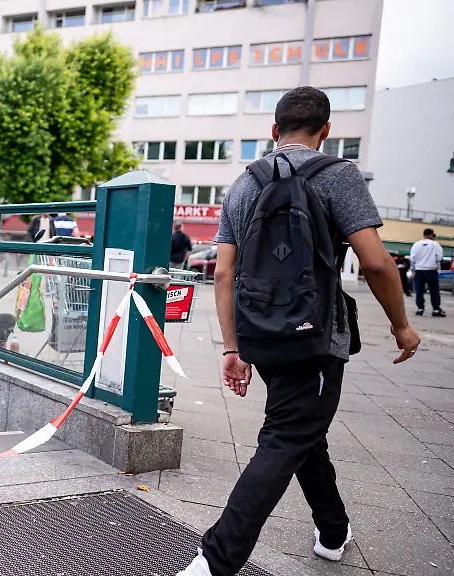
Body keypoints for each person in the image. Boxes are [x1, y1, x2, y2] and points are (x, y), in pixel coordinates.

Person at [178, 87, 421, 576]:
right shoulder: (339, 176)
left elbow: (223, 274)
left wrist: (233, 347)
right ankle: (214, 560)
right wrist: (401, 325)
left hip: (262, 336)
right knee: (288, 434)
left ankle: (333, 532)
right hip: (315, 339)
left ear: (274, 131)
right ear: (325, 131)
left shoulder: (244, 183)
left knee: (304, 430)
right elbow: (375, 261)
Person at [409, 227, 446, 317]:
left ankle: (420, 308)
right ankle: (436, 309)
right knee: (434, 291)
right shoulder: (435, 244)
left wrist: (413, 270)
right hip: (431, 270)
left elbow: (412, 258)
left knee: (419, 291)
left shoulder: (416, 244)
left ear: (424, 235)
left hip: (419, 270)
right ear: (431, 235)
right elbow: (439, 257)